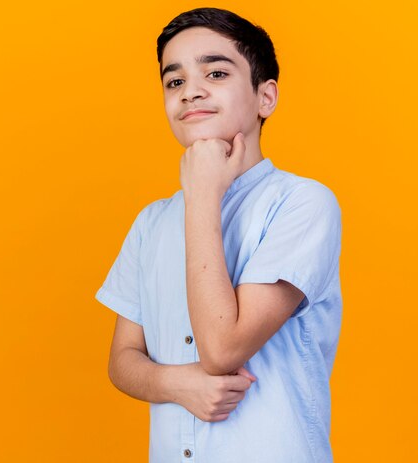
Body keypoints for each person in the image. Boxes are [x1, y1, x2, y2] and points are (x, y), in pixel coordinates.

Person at [95, 7, 342, 463]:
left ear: (265, 97)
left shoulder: (303, 203)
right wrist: (177, 383)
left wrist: (203, 195)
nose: (191, 91)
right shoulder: (152, 222)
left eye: (216, 71)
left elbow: (223, 348)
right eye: (174, 81)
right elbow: (122, 359)